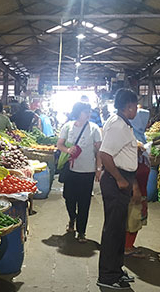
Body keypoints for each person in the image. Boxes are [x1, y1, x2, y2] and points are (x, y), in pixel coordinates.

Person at [97, 88, 139, 290]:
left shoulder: (123, 123)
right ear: (129, 106)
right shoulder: (117, 125)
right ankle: (106, 276)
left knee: (119, 228)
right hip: (116, 181)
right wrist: (120, 179)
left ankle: (116, 269)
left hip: (123, 178)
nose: (136, 110)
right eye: (136, 106)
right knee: (113, 230)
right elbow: (105, 154)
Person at [57, 102, 102, 243]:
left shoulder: (94, 129)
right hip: (70, 170)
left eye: (89, 111)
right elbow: (59, 144)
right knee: (69, 197)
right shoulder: (68, 126)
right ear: (78, 112)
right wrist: (67, 150)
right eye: (85, 111)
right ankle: (72, 218)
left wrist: (98, 169)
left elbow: (99, 151)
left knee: (84, 202)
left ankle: (82, 231)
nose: (88, 114)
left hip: (87, 171)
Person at [124, 142, 149, 258]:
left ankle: (128, 245)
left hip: (142, 193)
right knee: (133, 220)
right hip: (134, 195)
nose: (139, 152)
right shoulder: (128, 162)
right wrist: (136, 189)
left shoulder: (143, 159)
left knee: (137, 220)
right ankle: (127, 247)